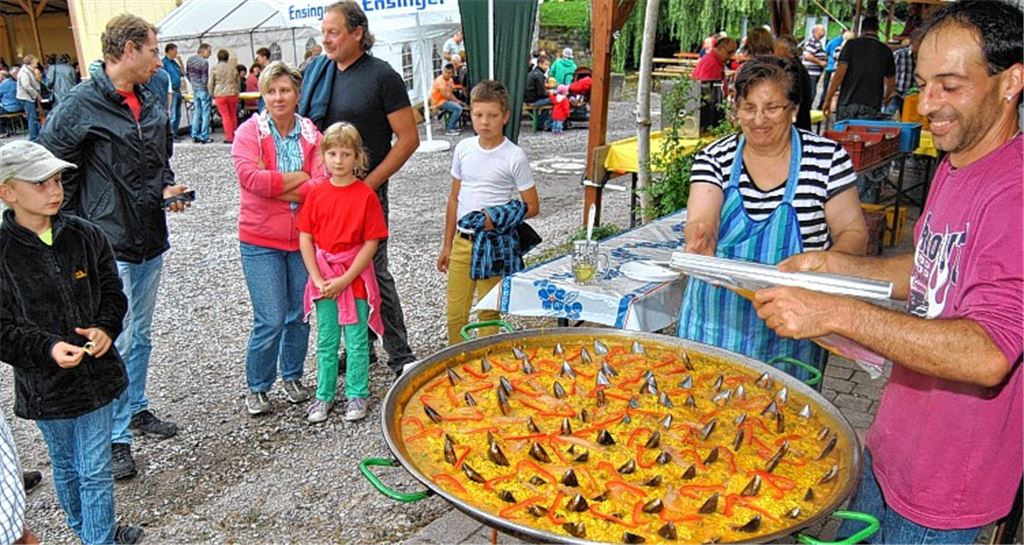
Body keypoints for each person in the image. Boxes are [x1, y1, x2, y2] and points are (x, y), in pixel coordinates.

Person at [755, 2, 1022, 542]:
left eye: (950, 85)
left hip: (945, 486)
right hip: (894, 445)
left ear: (1012, 81)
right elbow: (933, 267)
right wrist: (840, 267)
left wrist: (835, 311)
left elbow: (989, 352)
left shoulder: (1014, 191)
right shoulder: (957, 163)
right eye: (923, 84)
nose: (927, 105)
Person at [37, 13, 191, 481]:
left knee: (138, 335)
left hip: (149, 236)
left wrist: (168, 187)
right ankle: (115, 437)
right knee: (112, 339)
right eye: (151, 48)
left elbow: (159, 157)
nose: (158, 57)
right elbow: (48, 169)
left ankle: (136, 409)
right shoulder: (80, 105)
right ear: (127, 49)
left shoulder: (152, 94)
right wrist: (76, 231)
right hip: (107, 245)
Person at [679, 55, 867, 382]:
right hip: (717, 323)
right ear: (735, 108)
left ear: (793, 109)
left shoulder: (827, 159)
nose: (759, 119)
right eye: (748, 108)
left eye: (772, 108)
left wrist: (827, 264)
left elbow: (853, 232)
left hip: (793, 322)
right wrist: (700, 240)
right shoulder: (714, 158)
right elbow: (702, 218)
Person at [0, 140, 144, 545]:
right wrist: (45, 348)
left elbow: (114, 294)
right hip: (46, 389)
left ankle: (98, 539)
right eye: (40, 183)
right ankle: (90, 530)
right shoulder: (3, 252)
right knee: (65, 468)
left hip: (96, 378)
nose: (55, 190)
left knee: (95, 468)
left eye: (58, 180)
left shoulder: (86, 235)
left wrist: (105, 328)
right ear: (7, 191)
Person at [299, 0, 420, 377]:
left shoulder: (382, 76)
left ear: (357, 32)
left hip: (366, 191)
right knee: (334, 262)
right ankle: (359, 347)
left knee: (372, 269)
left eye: (333, 32)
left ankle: (400, 354)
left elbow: (408, 138)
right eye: (323, 32)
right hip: (327, 193)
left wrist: (369, 184)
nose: (326, 40)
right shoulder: (319, 72)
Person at [231, 61, 322, 417]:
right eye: (271, 91)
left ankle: (293, 376)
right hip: (259, 240)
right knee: (269, 317)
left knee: (298, 315)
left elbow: (320, 184)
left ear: (297, 94)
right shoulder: (248, 133)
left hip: (302, 239)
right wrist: (297, 180)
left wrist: (279, 186)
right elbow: (250, 179)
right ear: (263, 95)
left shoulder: (311, 133)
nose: (278, 97)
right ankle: (258, 386)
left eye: (285, 90)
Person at [437, 80, 539, 345]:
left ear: (505, 116)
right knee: (455, 313)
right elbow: (454, 199)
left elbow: (532, 205)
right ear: (470, 113)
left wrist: (499, 218)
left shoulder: (514, 156)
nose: (484, 122)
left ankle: (488, 367)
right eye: (478, 115)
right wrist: (447, 244)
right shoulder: (463, 149)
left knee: (488, 313)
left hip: (494, 243)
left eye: (492, 116)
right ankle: (456, 363)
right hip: (463, 240)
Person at [299, 122, 387, 423]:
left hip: (355, 279)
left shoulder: (365, 195)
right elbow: (305, 237)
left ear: (358, 158)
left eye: (346, 153)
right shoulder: (316, 194)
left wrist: (346, 279)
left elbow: (371, 242)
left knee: (357, 340)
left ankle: (357, 393)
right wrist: (317, 277)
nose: (339, 160)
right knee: (326, 340)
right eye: (332, 153)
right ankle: (323, 396)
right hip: (323, 277)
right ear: (323, 156)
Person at [821, 16, 895, 121]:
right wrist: (884, 99)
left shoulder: (850, 45)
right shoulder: (885, 50)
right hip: (871, 105)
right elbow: (891, 84)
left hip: (847, 102)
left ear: (862, 29)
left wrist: (827, 99)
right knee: (864, 136)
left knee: (842, 135)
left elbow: (839, 74)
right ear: (877, 29)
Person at [774, 35, 814, 131]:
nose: (773, 52)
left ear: (785, 50)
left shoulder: (790, 68)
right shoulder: (797, 66)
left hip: (795, 122)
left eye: (775, 48)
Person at [883, 33, 920, 117]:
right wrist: (889, 91)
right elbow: (887, 74)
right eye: (918, 42)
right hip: (897, 94)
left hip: (915, 97)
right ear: (911, 42)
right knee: (891, 118)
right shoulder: (898, 55)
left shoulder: (925, 58)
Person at [210, 49, 239, 144]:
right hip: (232, 92)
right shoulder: (233, 68)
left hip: (220, 94)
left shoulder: (214, 68)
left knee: (225, 116)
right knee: (233, 114)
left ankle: (229, 137)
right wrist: (237, 91)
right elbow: (237, 81)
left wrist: (211, 93)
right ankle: (235, 135)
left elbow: (210, 82)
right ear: (227, 57)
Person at [818, 30, 853, 110]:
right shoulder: (848, 49)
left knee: (827, 89)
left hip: (830, 68)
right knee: (836, 92)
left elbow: (826, 52)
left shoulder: (833, 42)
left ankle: (823, 106)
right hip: (839, 72)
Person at [187, 43, 213, 143]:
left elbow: (188, 74)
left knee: (197, 112)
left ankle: (194, 134)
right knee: (206, 113)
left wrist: (193, 84)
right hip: (203, 89)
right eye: (209, 51)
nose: (210, 54)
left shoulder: (190, 59)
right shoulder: (204, 62)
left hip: (195, 88)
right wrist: (207, 88)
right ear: (203, 50)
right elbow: (204, 78)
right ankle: (204, 136)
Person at [431, 63, 465, 136]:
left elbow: (450, 93)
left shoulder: (450, 80)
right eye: (445, 72)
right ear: (443, 71)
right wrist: (457, 101)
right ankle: (450, 129)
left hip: (445, 100)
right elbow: (446, 94)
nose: (447, 74)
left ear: (452, 73)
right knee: (458, 109)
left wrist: (457, 100)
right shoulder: (440, 81)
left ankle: (450, 122)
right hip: (438, 101)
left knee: (459, 105)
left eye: (449, 73)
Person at [801, 24, 827, 107]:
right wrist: (820, 62)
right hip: (810, 73)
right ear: (816, 31)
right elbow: (807, 55)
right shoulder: (812, 42)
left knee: (812, 93)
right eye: (822, 30)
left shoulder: (817, 42)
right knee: (811, 93)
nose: (824, 32)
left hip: (815, 73)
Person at [15, 55, 40, 141]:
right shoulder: (25, 72)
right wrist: (35, 94)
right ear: (31, 62)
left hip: (27, 96)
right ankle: (34, 137)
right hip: (27, 97)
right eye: (35, 62)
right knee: (32, 117)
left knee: (32, 117)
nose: (37, 64)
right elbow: (26, 85)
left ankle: (35, 135)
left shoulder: (27, 71)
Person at [162, 43, 184, 138]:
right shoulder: (164, 63)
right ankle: (170, 134)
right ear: (170, 50)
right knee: (173, 113)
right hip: (172, 91)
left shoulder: (174, 63)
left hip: (178, 90)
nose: (176, 53)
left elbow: (183, 73)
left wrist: (181, 63)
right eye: (175, 51)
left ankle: (175, 132)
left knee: (178, 114)